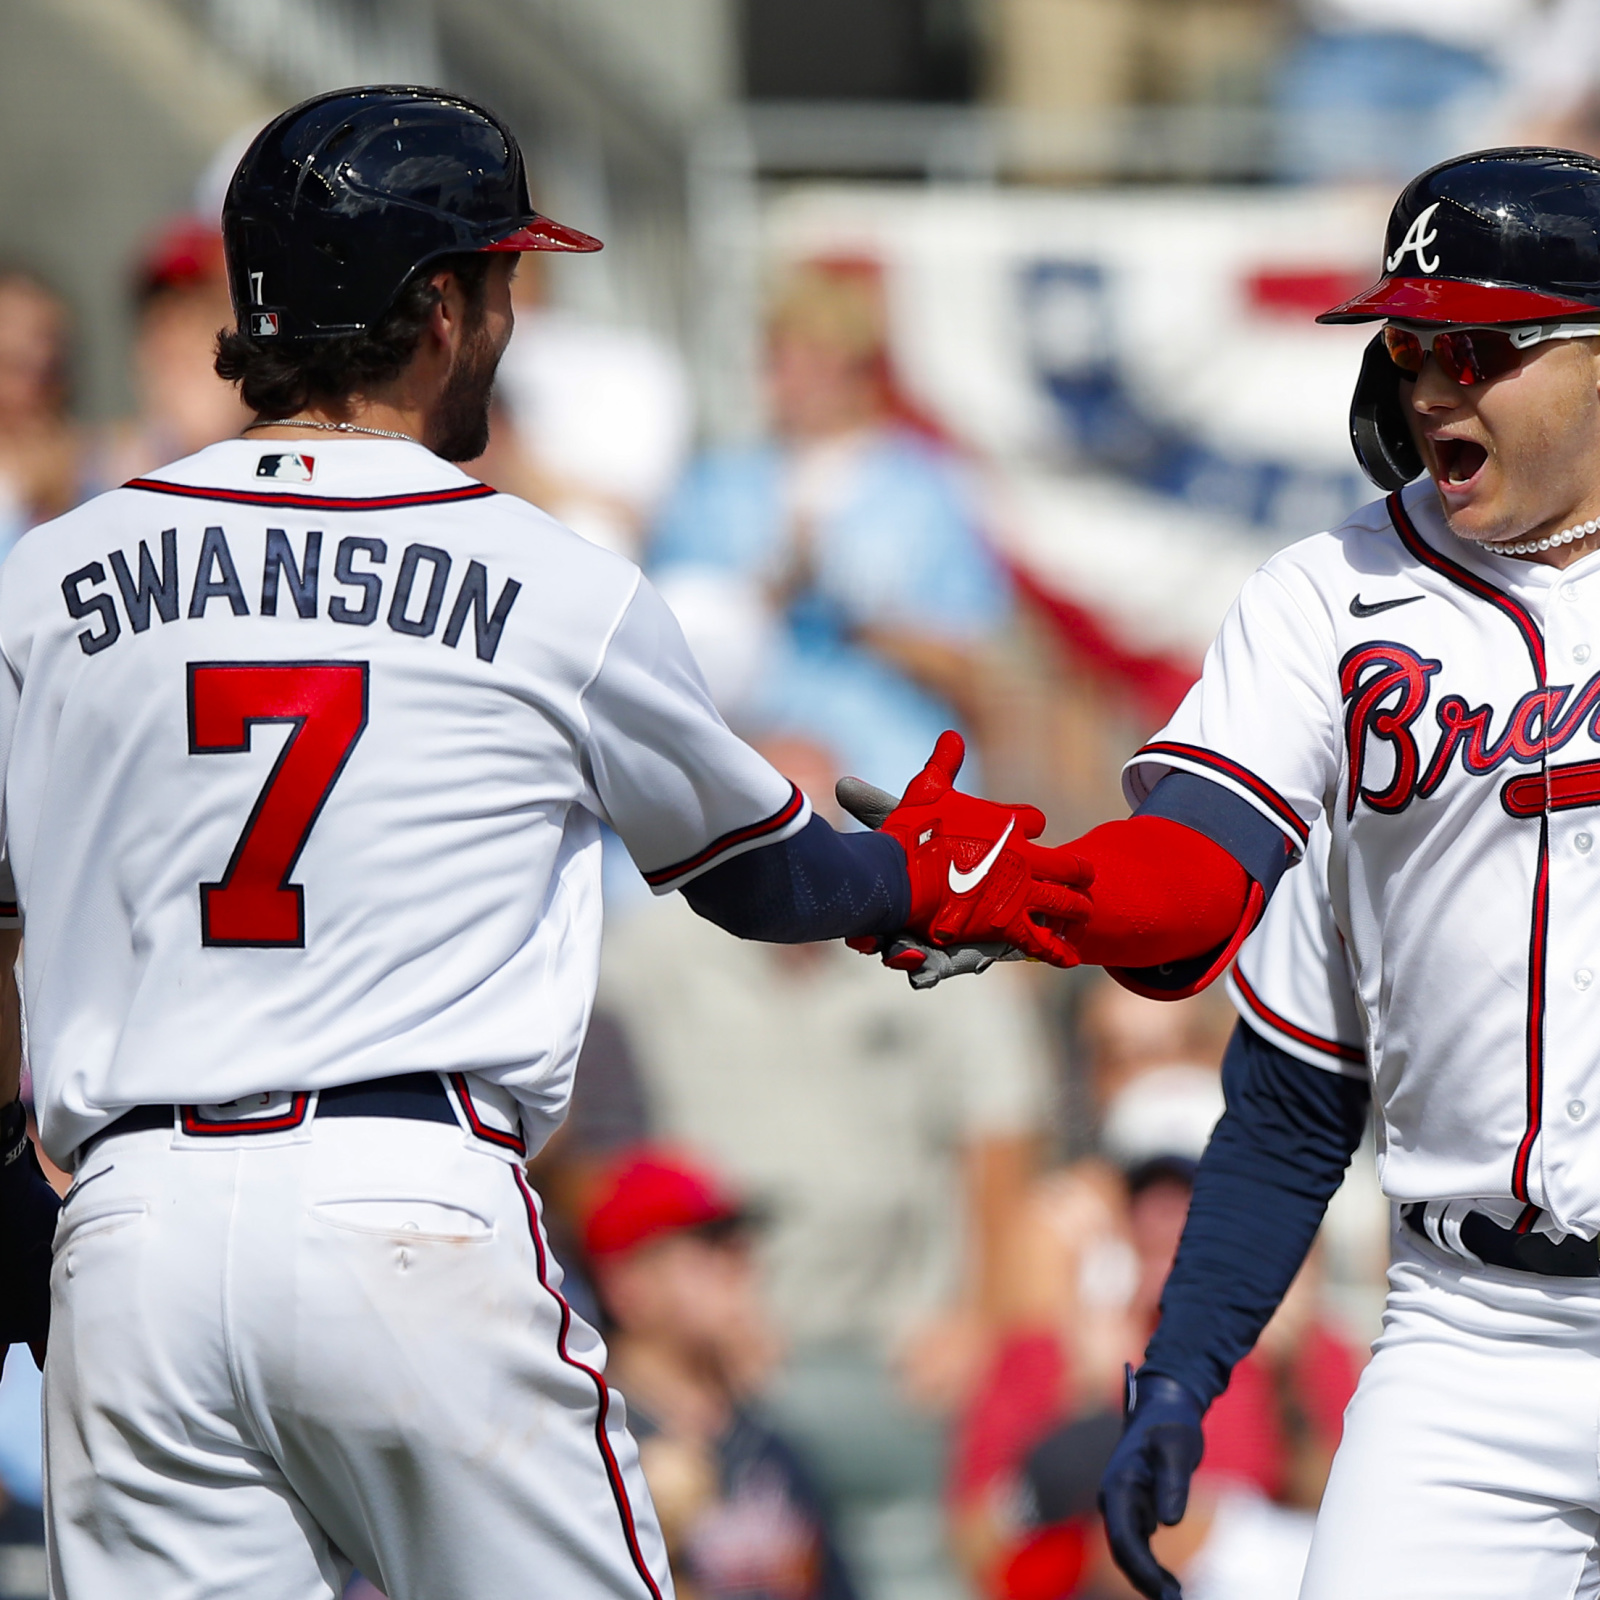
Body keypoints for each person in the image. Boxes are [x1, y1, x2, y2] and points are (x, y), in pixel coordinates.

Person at [0, 85, 1096, 1600]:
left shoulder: (50, 578)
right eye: (502, 281)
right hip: (405, 1208)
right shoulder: (545, 578)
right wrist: (924, 879)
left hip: (129, 1228)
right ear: (439, 305)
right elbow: (764, 874)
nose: (509, 318)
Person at [1080, 146, 1600, 1600]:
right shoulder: (1331, 600)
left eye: (1484, 346)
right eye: (1414, 343)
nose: (1435, 384)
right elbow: (1298, 1090)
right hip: (1470, 1337)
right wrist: (1184, 1369)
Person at [649, 261, 1012, 797]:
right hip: (746, 762)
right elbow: (665, 644)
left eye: (814, 366)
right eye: (778, 364)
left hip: (890, 768)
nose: (789, 386)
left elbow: (968, 668)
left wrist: (854, 610)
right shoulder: (717, 483)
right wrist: (764, 595)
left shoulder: (925, 491)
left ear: (859, 374)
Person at [584, 1147, 860, 1600]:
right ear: (626, 1285)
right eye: (711, 1243)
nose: (740, 1262)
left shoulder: (767, 1435)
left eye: (741, 1241)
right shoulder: (596, 1443)